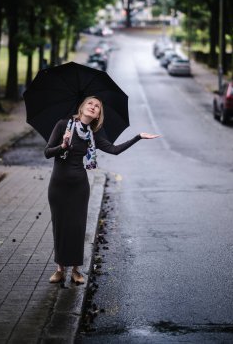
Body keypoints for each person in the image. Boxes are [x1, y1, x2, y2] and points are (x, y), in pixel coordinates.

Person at [44, 96, 160, 284]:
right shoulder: (63, 125)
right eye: (90, 103)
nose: (93, 107)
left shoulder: (94, 133)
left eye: (97, 106)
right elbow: (47, 152)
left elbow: (114, 150)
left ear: (98, 114)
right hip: (58, 185)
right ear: (81, 107)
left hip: (79, 187)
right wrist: (63, 145)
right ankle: (59, 269)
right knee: (60, 226)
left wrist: (138, 137)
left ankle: (75, 270)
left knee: (77, 227)